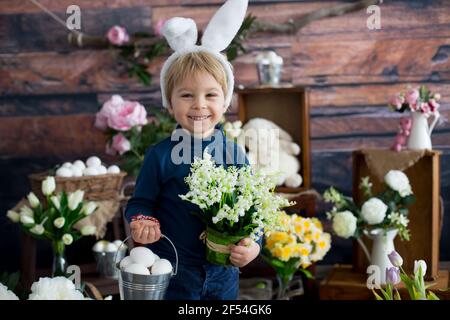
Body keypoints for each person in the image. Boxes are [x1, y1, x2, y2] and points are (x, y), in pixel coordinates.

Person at [124, 0, 260, 300]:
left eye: (211, 94)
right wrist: (142, 222)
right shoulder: (160, 155)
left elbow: (253, 209)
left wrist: (254, 244)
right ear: (170, 103)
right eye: (187, 95)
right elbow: (140, 203)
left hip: (223, 275)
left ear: (224, 102)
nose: (199, 104)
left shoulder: (234, 153)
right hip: (173, 272)